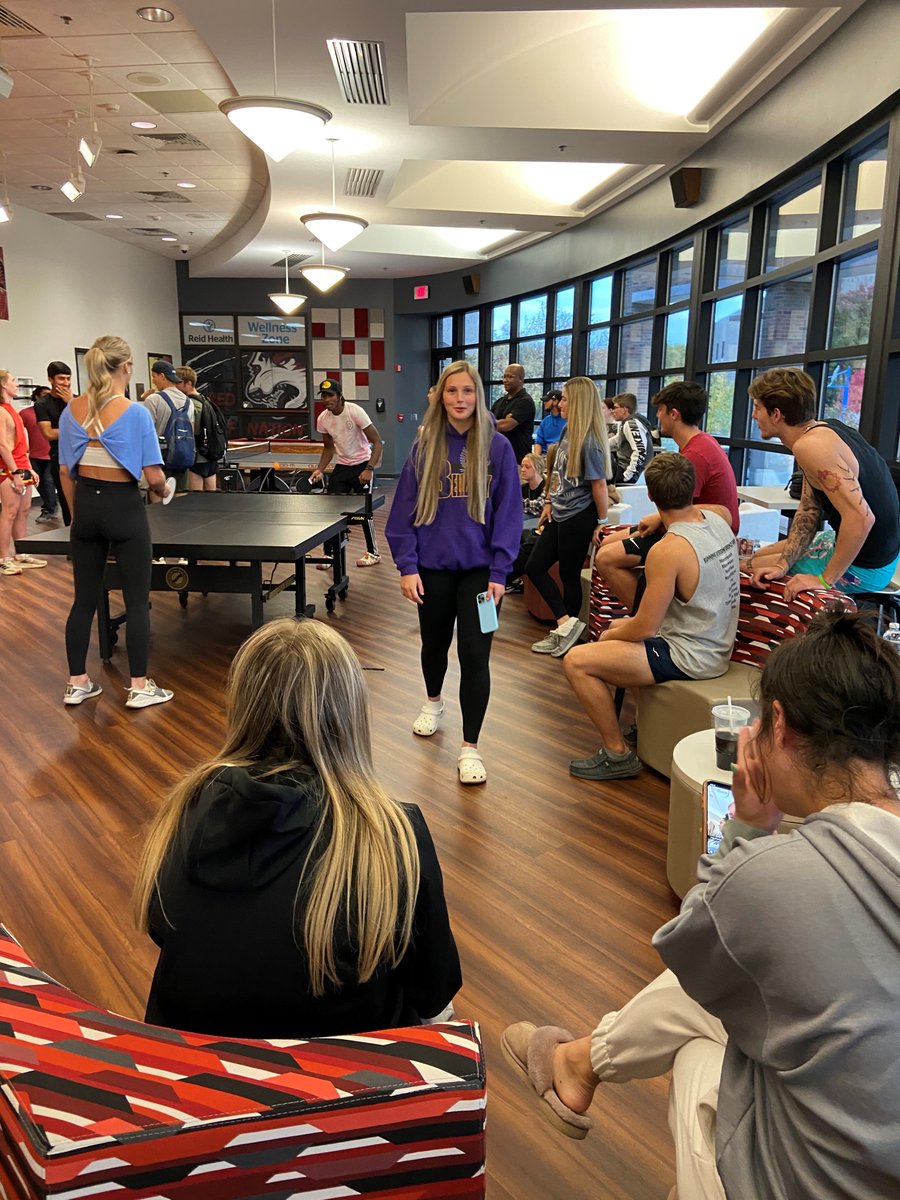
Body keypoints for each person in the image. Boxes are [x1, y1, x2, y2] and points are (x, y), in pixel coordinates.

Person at [502, 609, 900, 1200]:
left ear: (780, 725)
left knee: (698, 1027)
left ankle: (596, 1082)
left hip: (814, 1184)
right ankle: (579, 1064)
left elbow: (693, 946)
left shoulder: (781, 877)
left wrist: (747, 827)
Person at [133, 617, 461, 1038]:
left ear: (243, 705)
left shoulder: (183, 809)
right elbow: (433, 992)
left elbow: (165, 931)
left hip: (197, 1062)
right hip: (343, 1071)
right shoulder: (395, 835)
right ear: (350, 712)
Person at [385, 360, 521, 785]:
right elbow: (402, 513)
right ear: (440, 397)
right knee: (434, 644)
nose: (460, 399)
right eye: (452, 391)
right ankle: (433, 701)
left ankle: (470, 747)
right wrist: (407, 567)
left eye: (467, 391)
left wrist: (501, 572)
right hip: (433, 569)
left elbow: (510, 515)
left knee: (476, 655)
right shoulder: (424, 446)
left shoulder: (498, 447)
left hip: (482, 575)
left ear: (478, 395)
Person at [562, 453, 738, 781]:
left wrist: (610, 636)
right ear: (691, 489)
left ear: (652, 497)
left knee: (577, 661)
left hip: (693, 656)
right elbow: (717, 508)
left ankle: (616, 754)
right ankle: (642, 726)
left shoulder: (668, 551)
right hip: (717, 642)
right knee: (620, 630)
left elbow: (645, 627)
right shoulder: (719, 519)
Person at [58, 335, 173, 709]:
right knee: (137, 601)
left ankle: (77, 683)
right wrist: (165, 490)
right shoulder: (135, 413)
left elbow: (65, 472)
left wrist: (77, 517)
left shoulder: (70, 410)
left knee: (83, 600)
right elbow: (154, 477)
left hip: (85, 510)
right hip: (123, 508)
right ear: (126, 367)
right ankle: (139, 686)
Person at [746, 367, 900, 598]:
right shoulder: (822, 430)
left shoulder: (810, 447)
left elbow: (862, 518)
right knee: (758, 557)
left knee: (746, 568)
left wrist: (823, 580)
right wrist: (782, 565)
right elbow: (809, 509)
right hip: (871, 549)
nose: (753, 415)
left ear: (776, 414)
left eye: (757, 408)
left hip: (868, 567)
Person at [595, 381, 739, 608]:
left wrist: (656, 519)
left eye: (660, 410)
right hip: (695, 526)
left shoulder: (695, 455)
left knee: (606, 558)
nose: (657, 416)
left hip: (705, 536)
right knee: (606, 541)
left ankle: (649, 617)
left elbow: (683, 515)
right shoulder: (701, 443)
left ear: (674, 414)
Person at [525, 376, 610, 658]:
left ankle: (566, 636)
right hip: (559, 512)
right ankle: (566, 624)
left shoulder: (591, 442)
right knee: (534, 566)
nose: (559, 404)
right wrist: (549, 501)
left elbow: (599, 486)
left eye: (564, 399)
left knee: (568, 575)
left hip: (579, 516)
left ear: (578, 403)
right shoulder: (567, 431)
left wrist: (601, 523)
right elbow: (556, 473)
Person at [310, 379, 384, 567]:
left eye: (330, 395)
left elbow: (377, 442)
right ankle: (329, 554)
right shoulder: (323, 419)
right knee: (331, 510)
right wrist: (320, 469)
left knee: (364, 511)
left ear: (340, 396)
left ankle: (373, 553)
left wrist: (369, 469)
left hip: (362, 464)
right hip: (343, 466)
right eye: (323, 396)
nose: (326, 399)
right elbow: (328, 448)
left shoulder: (355, 411)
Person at [0, 370, 46, 576]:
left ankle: (21, 554)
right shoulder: (1, 412)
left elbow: (21, 444)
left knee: (23, 511)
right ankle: (4, 558)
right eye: (13, 380)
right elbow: (2, 445)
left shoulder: (13, 410)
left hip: (21, 466)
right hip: (9, 469)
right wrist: (15, 472)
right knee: (9, 512)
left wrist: (29, 468)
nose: (16, 384)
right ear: (3, 385)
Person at [142, 360, 195, 496]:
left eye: (154, 376)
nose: (153, 381)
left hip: (160, 459)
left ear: (162, 376)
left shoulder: (153, 399)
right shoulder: (188, 402)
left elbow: (146, 432)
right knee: (180, 498)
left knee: (158, 501)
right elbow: (192, 429)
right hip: (183, 456)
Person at [34, 360, 73, 525]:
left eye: (68, 378)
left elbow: (88, 425)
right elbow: (49, 433)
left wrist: (71, 403)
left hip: (80, 452)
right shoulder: (42, 404)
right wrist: (77, 431)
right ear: (51, 379)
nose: (66, 383)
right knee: (66, 499)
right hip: (59, 455)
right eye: (61, 379)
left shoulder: (76, 400)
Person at [506, 452, 547, 594]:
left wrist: (519, 504)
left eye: (527, 467)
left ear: (538, 469)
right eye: (522, 466)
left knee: (518, 528)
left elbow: (540, 506)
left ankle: (512, 575)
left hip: (540, 522)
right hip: (526, 520)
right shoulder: (523, 488)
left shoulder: (546, 486)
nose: (522, 469)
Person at [177, 365, 218, 493]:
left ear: (188, 383)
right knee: (211, 495)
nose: (175, 387)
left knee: (195, 499)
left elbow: (191, 430)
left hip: (197, 457)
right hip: (211, 455)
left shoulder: (190, 405)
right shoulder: (206, 400)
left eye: (178, 383)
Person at [22, 385, 57, 522]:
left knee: (48, 481)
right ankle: (50, 505)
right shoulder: (25, 413)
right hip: (34, 455)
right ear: (36, 396)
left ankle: (49, 509)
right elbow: (18, 432)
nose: (47, 398)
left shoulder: (53, 411)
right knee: (39, 483)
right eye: (44, 395)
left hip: (51, 453)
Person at [492, 363, 536, 465]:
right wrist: (498, 422)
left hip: (518, 461)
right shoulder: (500, 402)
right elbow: (487, 420)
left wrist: (495, 423)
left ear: (521, 378)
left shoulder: (525, 401)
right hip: (498, 457)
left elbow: (505, 426)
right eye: (504, 377)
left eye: (510, 377)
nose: (505, 380)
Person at [609, 392, 654, 484]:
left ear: (624, 410)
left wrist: (628, 476)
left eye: (615, 407)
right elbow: (616, 441)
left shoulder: (631, 424)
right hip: (624, 469)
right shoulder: (627, 423)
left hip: (627, 473)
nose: (612, 411)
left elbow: (640, 451)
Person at [533, 389, 566, 454]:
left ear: (555, 401)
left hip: (561, 455)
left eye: (547, 400)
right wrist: (536, 458)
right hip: (545, 455)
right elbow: (538, 443)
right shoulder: (545, 421)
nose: (544, 403)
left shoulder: (568, 421)